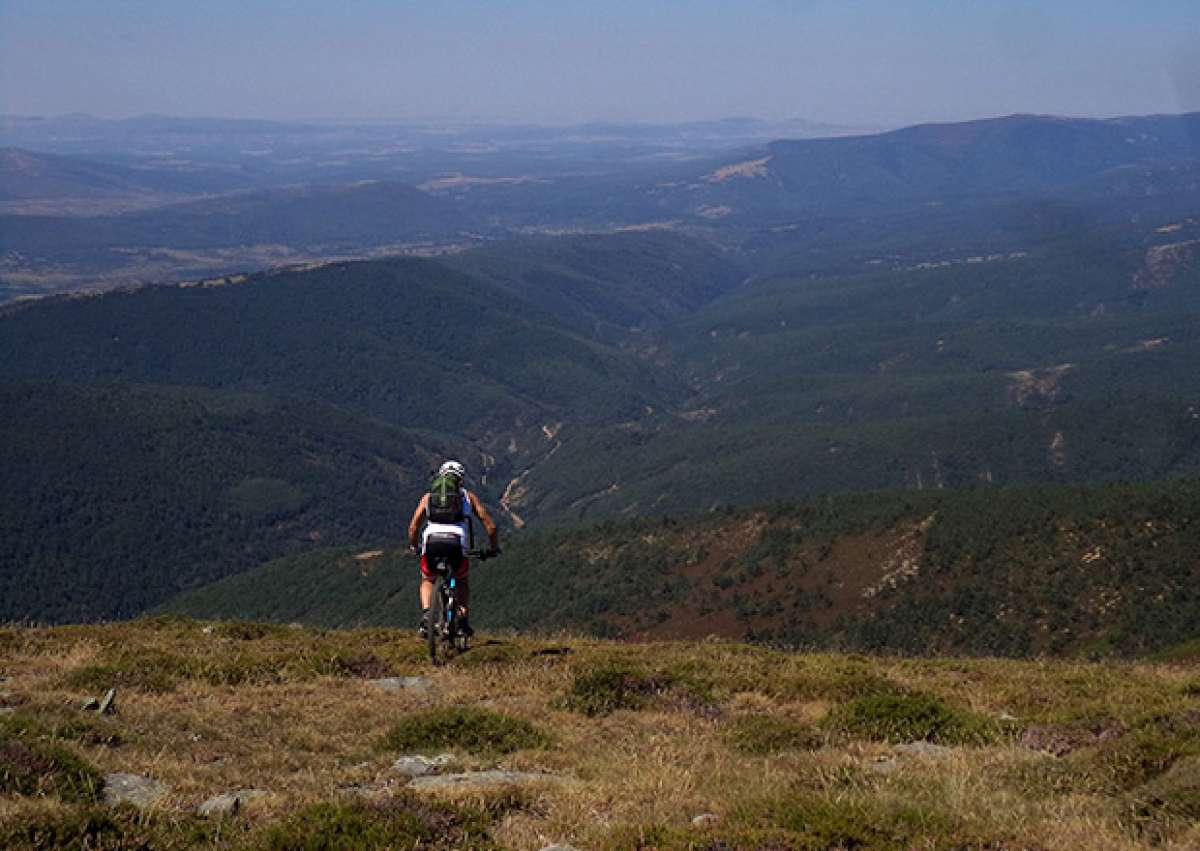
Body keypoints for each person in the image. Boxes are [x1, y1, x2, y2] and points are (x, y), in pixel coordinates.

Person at [407, 460, 499, 639]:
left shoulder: (428, 497)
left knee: (428, 580)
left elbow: (413, 527)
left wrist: (414, 546)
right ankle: (462, 621)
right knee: (461, 580)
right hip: (458, 544)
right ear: (461, 481)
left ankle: (427, 617)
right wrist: (493, 548)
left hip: (431, 542)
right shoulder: (468, 497)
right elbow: (491, 526)